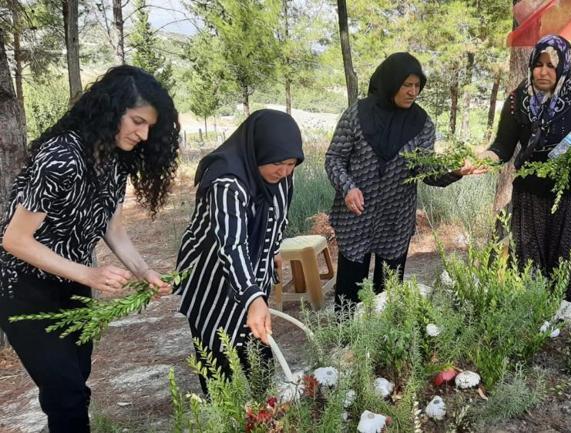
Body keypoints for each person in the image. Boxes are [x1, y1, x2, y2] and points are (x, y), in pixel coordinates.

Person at [0, 65, 180, 433]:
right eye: (137, 121)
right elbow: (14, 240)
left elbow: (113, 228)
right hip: (23, 287)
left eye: (149, 127)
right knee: (64, 392)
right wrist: (90, 274)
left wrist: (144, 271)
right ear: (111, 108)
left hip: (72, 284)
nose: (143, 135)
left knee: (76, 384)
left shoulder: (113, 159)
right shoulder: (60, 156)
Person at [476, 34, 571, 305]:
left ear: (564, 65)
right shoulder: (518, 100)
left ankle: (563, 331)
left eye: (551, 65)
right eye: (538, 64)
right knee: (528, 268)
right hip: (531, 197)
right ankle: (530, 329)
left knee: (568, 270)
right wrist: (483, 160)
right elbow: (503, 146)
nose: (543, 71)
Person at [326, 52, 470, 309]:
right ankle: (345, 342)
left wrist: (456, 171)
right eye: (407, 85)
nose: (413, 92)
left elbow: (427, 171)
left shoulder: (422, 124)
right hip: (354, 216)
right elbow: (334, 158)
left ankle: (382, 346)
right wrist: (348, 188)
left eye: (417, 86)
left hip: (395, 219)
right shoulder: (357, 115)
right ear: (391, 82)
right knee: (350, 290)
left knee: (388, 294)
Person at [174, 109, 303, 394]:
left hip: (252, 271)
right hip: (210, 276)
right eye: (277, 163)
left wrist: (272, 248)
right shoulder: (227, 182)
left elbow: (277, 215)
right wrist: (253, 297)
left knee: (258, 351)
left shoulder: (282, 177)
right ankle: (224, 416)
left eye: (291, 163)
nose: (283, 171)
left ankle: (265, 412)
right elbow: (230, 245)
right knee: (218, 360)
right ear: (257, 151)